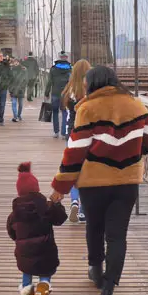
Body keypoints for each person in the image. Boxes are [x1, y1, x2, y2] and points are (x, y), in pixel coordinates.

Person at [50, 66, 148, 295]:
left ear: (93, 83)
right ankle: (109, 289)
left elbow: (75, 152)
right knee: (117, 236)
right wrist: (130, 153)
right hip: (127, 182)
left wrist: (60, 187)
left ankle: (96, 271)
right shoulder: (136, 105)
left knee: (95, 227)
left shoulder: (87, 108)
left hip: (94, 183)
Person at [7, 162, 67, 295]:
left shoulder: (14, 214)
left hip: (25, 253)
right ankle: (42, 291)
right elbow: (60, 219)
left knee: (27, 271)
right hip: (45, 250)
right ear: (36, 188)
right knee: (45, 271)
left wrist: (19, 240)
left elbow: (11, 232)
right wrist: (57, 205)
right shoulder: (46, 207)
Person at [61, 59, 92, 223]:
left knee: (73, 170)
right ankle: (82, 210)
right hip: (88, 135)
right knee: (87, 173)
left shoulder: (69, 90)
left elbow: (65, 110)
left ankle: (74, 201)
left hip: (72, 135)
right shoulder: (92, 91)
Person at [44, 51, 72, 139]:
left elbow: (49, 82)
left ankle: (56, 132)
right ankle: (64, 133)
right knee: (64, 112)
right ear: (66, 58)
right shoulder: (70, 69)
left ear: (59, 58)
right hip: (65, 94)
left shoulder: (53, 69)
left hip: (55, 93)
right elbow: (72, 82)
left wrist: (46, 93)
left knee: (55, 112)